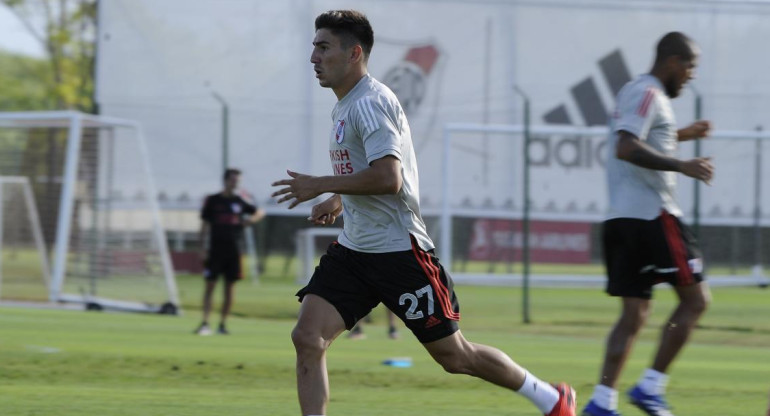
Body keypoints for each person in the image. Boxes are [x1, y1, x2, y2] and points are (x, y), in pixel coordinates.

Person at [271, 10, 576, 416]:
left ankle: (551, 399)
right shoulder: (344, 106)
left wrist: (323, 183)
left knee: (455, 357)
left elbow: (389, 178)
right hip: (355, 251)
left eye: (323, 47)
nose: (313, 57)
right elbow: (367, 171)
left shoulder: (370, 103)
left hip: (400, 253)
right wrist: (340, 200)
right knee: (308, 337)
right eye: (314, 47)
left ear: (354, 53)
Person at [582, 32, 713, 416]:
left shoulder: (642, 95)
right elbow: (626, 146)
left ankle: (602, 403)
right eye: (689, 66)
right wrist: (682, 165)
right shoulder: (648, 92)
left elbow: (642, 137)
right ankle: (651, 387)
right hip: (653, 215)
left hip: (622, 218)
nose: (691, 75)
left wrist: (683, 135)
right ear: (672, 61)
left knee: (635, 313)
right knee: (697, 300)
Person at [195, 168, 264, 336]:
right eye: (233, 180)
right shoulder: (213, 200)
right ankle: (205, 323)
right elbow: (204, 225)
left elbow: (260, 212)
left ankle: (222, 325)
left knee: (229, 288)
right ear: (225, 180)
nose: (235, 183)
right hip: (215, 250)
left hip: (234, 251)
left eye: (237, 181)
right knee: (210, 285)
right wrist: (202, 247)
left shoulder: (240, 201)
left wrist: (249, 221)